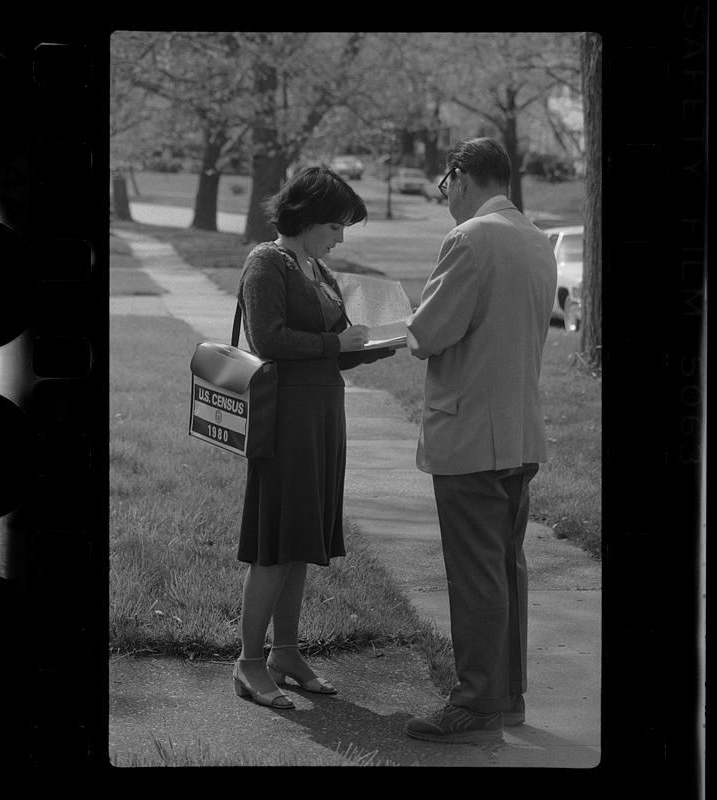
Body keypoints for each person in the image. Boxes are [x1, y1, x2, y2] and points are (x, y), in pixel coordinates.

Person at [404, 138, 557, 743]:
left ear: (462, 177)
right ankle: (507, 694)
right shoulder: (536, 239)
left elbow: (428, 333)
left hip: (472, 433)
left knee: (475, 575)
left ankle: (475, 702)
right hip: (520, 428)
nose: (446, 197)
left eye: (446, 184)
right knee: (505, 568)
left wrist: (408, 321)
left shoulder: (470, 238)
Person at [233, 166, 395, 710]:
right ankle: (249, 663)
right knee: (276, 544)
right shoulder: (266, 264)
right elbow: (269, 339)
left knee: (301, 541)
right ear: (305, 219)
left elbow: (336, 342)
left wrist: (385, 341)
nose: (341, 237)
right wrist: (336, 345)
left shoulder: (317, 268)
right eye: (336, 226)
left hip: (323, 413)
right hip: (286, 419)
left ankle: (285, 653)